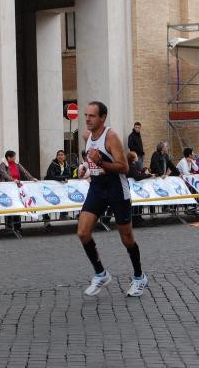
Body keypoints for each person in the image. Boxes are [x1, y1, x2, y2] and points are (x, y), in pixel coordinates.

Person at [76, 101, 148, 297]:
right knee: (83, 232)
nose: (88, 119)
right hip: (98, 187)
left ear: (102, 118)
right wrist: (86, 166)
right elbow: (89, 157)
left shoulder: (111, 137)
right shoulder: (86, 136)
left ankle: (139, 277)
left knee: (126, 237)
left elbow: (124, 167)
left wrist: (101, 161)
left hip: (116, 187)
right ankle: (101, 273)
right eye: (86, 115)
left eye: (92, 116)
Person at [0, 150, 37, 231]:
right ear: (8, 157)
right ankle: (8, 226)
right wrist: (12, 180)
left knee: (18, 205)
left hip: (17, 188)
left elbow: (24, 171)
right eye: (14, 156)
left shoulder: (16, 164)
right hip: (7, 188)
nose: (15, 158)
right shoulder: (3, 164)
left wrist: (31, 178)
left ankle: (17, 226)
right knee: (9, 206)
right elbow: (4, 174)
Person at [43, 150, 73, 224]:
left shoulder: (66, 164)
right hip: (50, 187)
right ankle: (46, 219)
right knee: (47, 202)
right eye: (59, 155)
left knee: (63, 199)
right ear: (56, 156)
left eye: (62, 155)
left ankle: (63, 215)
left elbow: (69, 174)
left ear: (64, 156)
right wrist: (62, 178)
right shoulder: (53, 164)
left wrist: (64, 178)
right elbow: (52, 176)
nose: (60, 156)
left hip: (60, 187)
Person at [127, 151, 152, 226]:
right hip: (132, 188)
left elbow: (137, 174)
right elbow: (137, 177)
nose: (137, 157)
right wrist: (146, 174)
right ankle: (135, 219)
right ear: (133, 159)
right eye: (136, 156)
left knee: (138, 202)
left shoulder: (133, 165)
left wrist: (145, 173)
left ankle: (138, 217)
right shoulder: (131, 166)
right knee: (135, 204)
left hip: (134, 188)